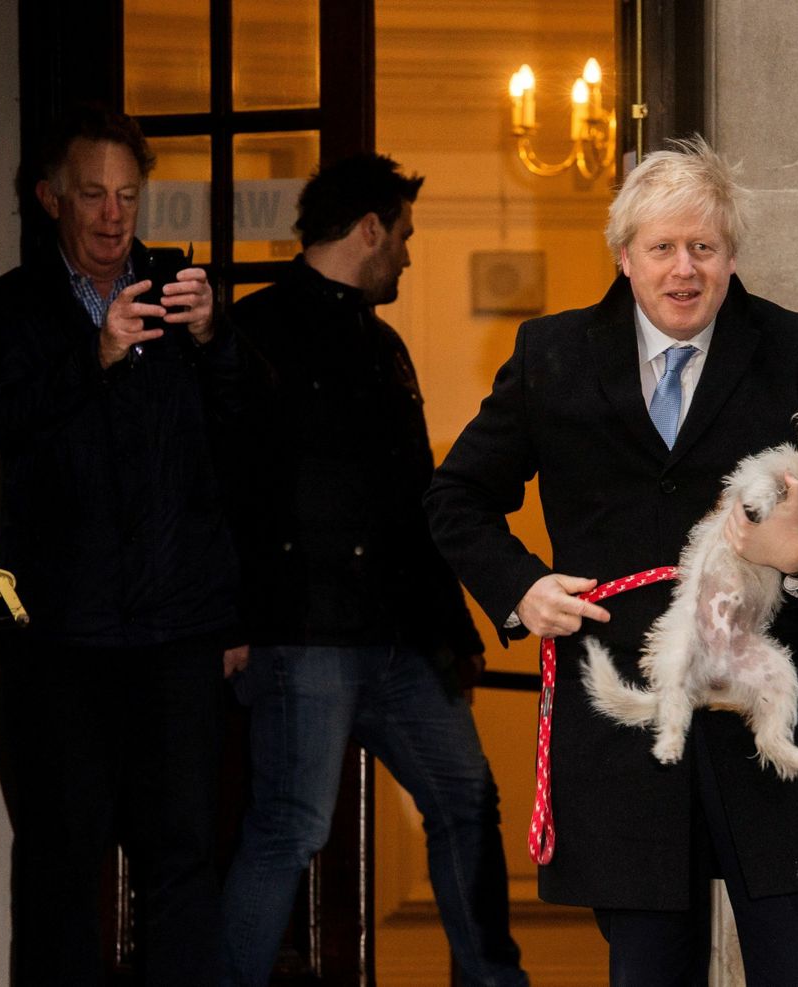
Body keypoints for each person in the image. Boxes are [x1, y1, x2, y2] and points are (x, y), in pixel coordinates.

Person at [425, 136, 798, 986]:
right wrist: (522, 588)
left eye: (703, 247)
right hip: (633, 731)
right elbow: (454, 496)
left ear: (731, 254)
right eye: (663, 247)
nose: (684, 269)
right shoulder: (552, 354)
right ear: (625, 256)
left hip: (773, 713)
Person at [221, 153, 527, 987]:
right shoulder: (255, 330)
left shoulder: (384, 346)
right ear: (368, 230)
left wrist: (456, 631)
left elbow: (414, 500)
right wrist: (231, 619)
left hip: (400, 639)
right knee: (290, 828)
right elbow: (223, 488)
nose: (408, 255)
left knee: (466, 799)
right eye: (403, 236)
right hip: (302, 631)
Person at [0, 103, 241, 985]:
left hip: (176, 633)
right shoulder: (11, 306)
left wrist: (213, 337)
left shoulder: (177, 292)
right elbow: (5, 424)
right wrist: (94, 353)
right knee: (61, 861)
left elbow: (244, 437)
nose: (112, 214)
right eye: (92, 193)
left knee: (183, 856)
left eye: (128, 195)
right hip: (63, 636)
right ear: (51, 197)